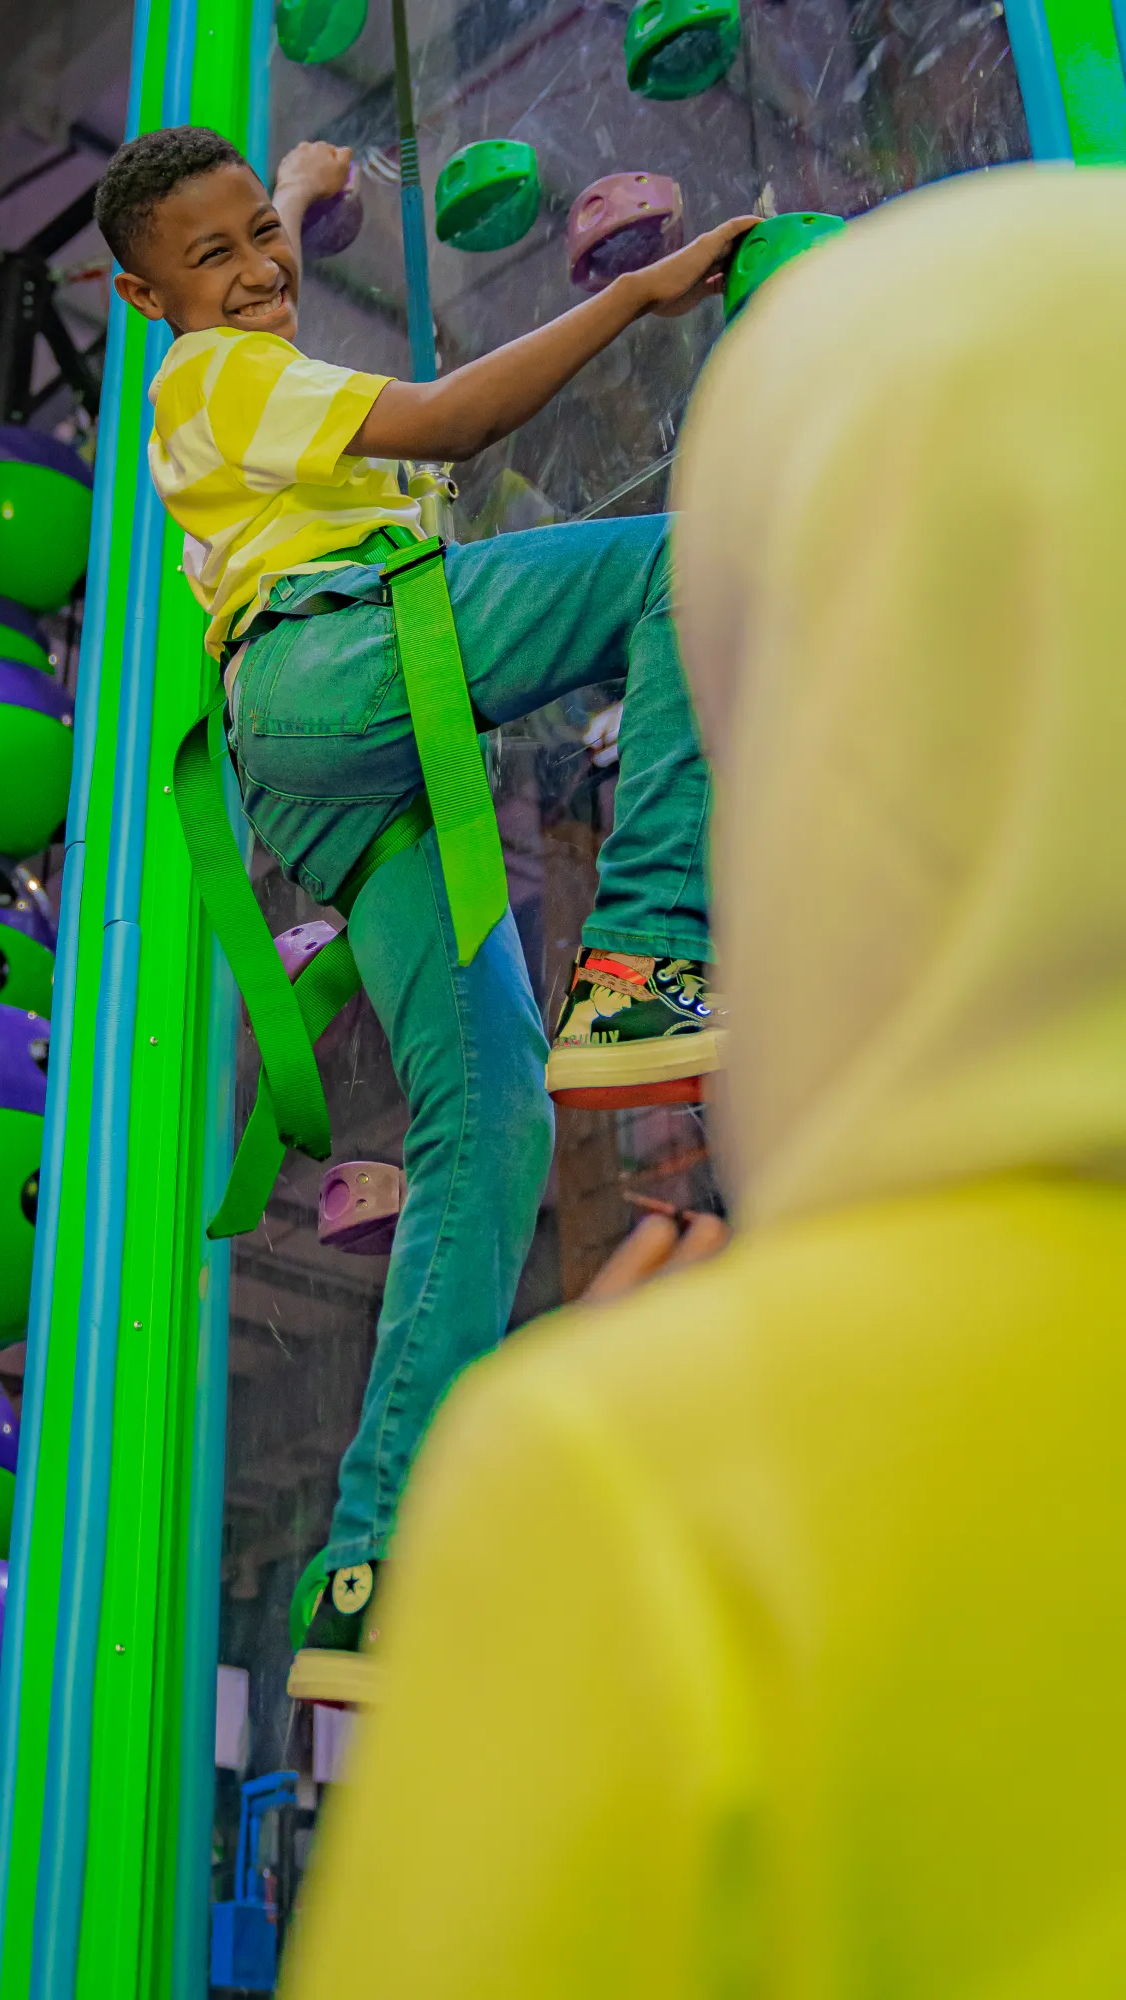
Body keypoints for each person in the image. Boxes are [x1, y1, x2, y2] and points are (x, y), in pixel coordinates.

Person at [279, 163, 1126, 1995]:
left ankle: (649, 941)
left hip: (322, 685)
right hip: (346, 657)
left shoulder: (633, 1489)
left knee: (488, 1099)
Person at [94, 125, 753, 1699]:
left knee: (493, 1125)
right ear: (140, 299)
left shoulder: (213, 376)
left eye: (264, 236)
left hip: (311, 763)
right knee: (682, 561)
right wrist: (642, 295)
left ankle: (373, 1569)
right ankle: (651, 948)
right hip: (346, 666)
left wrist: (302, 201)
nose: (259, 272)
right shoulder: (218, 380)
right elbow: (453, 420)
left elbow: (252, 274)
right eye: (218, 259)